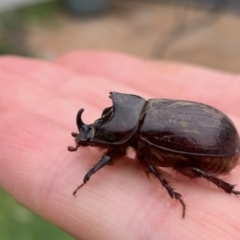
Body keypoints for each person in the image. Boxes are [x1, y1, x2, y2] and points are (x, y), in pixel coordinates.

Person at [0, 51, 239, 239]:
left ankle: (231, 191)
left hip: (217, 150)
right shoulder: (142, 113)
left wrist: (88, 176)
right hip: (217, 134)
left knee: (193, 171)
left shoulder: (144, 133)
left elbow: (146, 166)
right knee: (172, 168)